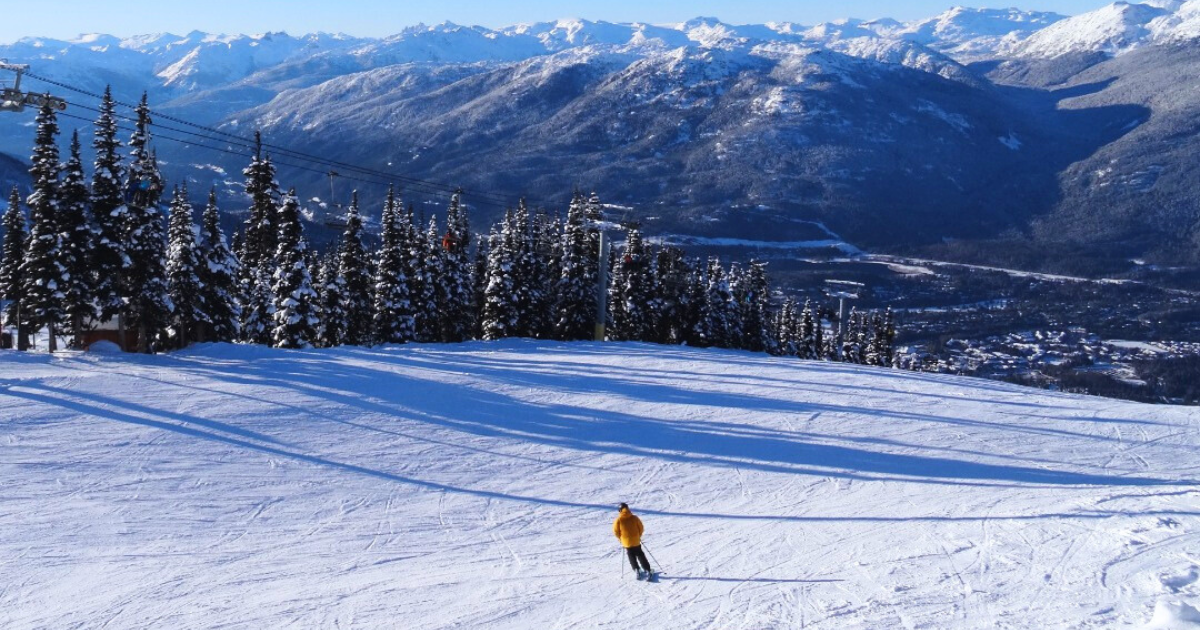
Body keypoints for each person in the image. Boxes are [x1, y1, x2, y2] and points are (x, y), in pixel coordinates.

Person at [613, 502, 654, 579]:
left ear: (620, 510)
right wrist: (639, 535)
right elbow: (641, 527)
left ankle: (636, 570)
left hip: (626, 542)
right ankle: (647, 570)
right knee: (640, 554)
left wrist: (620, 539)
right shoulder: (634, 518)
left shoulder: (618, 520)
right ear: (628, 509)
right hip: (635, 540)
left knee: (631, 555)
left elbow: (615, 531)